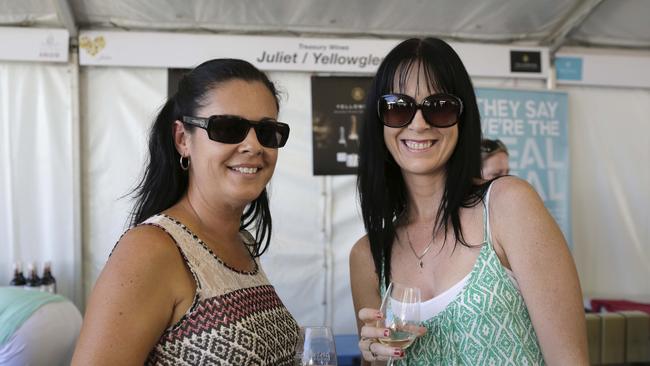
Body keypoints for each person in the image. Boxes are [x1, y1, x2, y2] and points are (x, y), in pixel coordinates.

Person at [349, 38, 588, 365]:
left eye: (440, 107)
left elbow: (570, 361)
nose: (418, 124)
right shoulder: (367, 255)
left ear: (463, 118)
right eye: (398, 107)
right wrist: (372, 357)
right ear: (379, 121)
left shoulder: (508, 205)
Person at [72, 59, 298, 365]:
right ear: (183, 140)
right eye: (228, 128)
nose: (253, 145)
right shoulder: (151, 249)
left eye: (267, 132)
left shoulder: (242, 242)